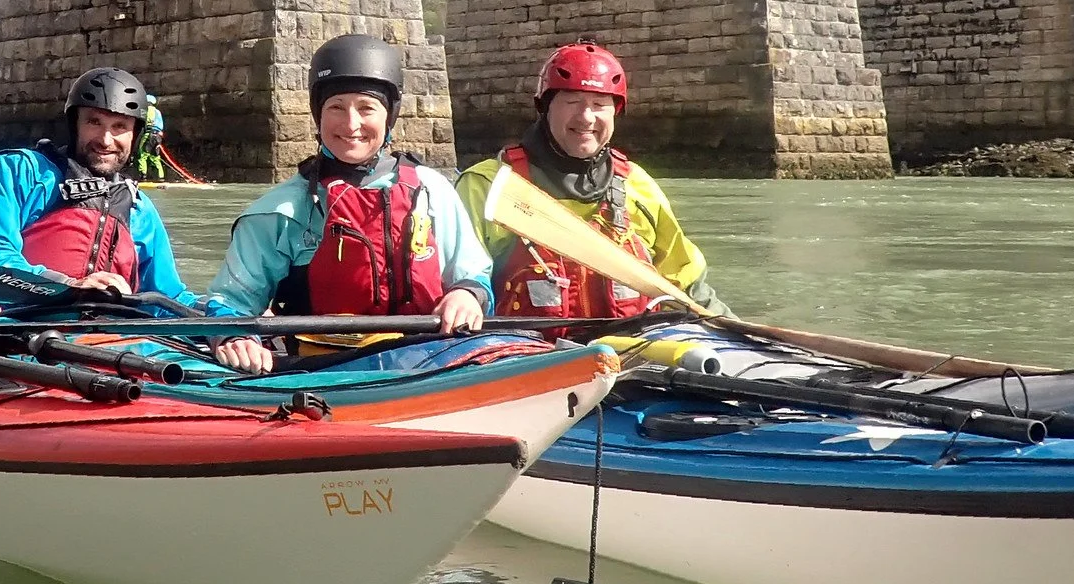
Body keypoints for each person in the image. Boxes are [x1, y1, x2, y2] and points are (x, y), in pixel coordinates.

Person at [204, 34, 493, 374]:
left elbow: (474, 274)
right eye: (336, 107)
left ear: (389, 116)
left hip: (432, 361)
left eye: (366, 108)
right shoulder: (282, 211)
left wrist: (467, 294)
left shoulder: (433, 192)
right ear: (318, 114)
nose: (351, 124)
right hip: (324, 371)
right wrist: (233, 337)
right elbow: (230, 303)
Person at [455, 41, 729, 320]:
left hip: (633, 351)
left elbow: (687, 283)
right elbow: (459, 278)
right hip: (527, 354)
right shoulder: (488, 186)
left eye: (599, 104)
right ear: (545, 108)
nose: (586, 117)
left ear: (615, 112)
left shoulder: (638, 186)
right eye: (572, 102)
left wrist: (736, 330)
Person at [0, 66, 194, 312]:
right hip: (18, 328)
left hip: (112, 337)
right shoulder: (18, 172)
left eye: (120, 126)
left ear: (135, 134)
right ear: (74, 124)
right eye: (94, 122)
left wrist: (222, 322)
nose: (105, 140)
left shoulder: (139, 209)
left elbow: (168, 296)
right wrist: (69, 287)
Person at [137, 93, 168, 182]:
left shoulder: (145, 111)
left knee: (142, 155)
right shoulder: (158, 112)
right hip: (158, 136)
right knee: (155, 157)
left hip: (148, 134)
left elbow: (143, 123)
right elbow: (160, 125)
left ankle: (143, 177)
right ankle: (161, 177)